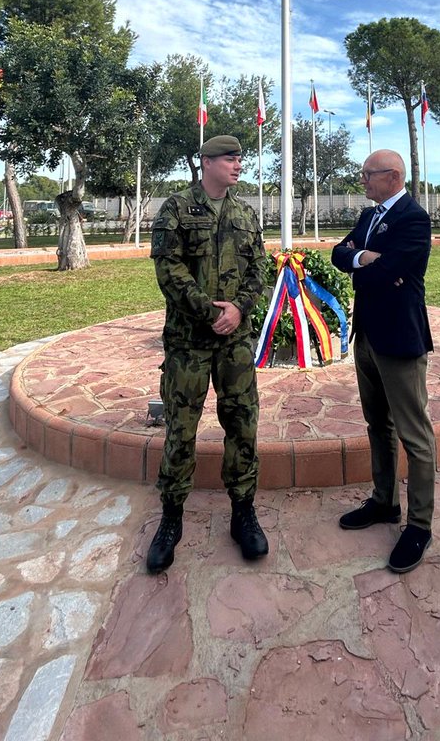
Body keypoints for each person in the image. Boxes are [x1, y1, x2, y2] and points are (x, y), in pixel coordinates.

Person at [146, 135, 269, 573]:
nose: (238, 165)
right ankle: (171, 517)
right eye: (230, 158)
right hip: (188, 342)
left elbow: (259, 267)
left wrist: (238, 309)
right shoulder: (176, 208)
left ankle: (243, 511)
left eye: (240, 158)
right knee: (181, 427)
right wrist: (209, 311)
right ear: (207, 162)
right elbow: (168, 268)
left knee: (242, 423)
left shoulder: (245, 214)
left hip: (234, 342)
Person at [331, 150, 436, 573]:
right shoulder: (369, 216)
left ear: (392, 176)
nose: (362, 180)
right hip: (368, 337)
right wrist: (364, 257)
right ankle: (384, 502)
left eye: (367, 174)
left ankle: (419, 525)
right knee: (378, 424)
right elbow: (338, 255)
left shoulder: (414, 218)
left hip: (400, 340)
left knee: (415, 435)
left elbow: (390, 270)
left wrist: (365, 260)